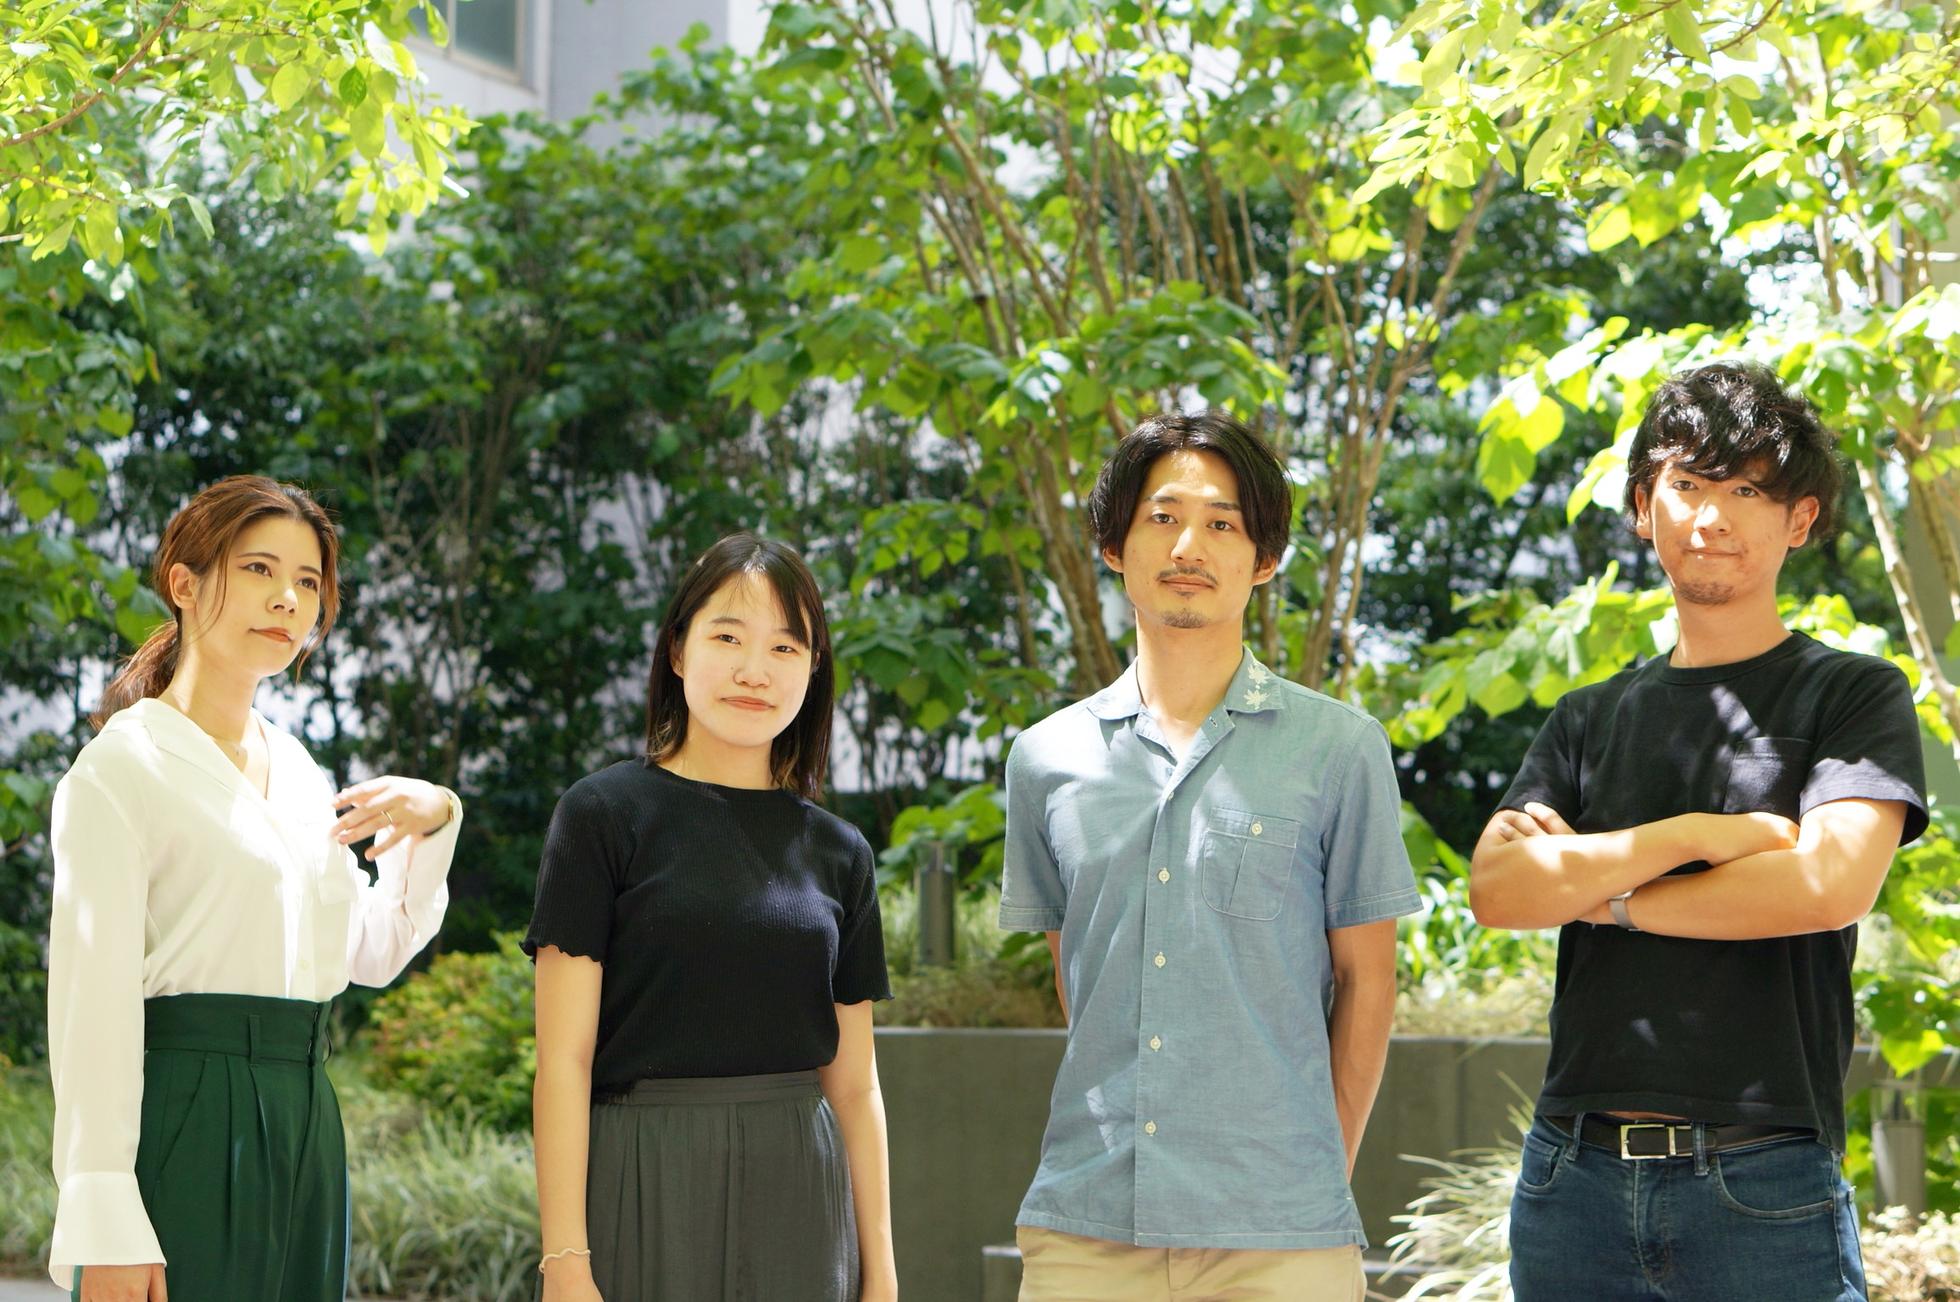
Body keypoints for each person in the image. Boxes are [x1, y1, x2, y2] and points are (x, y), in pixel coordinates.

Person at [1470, 363, 1929, 1302]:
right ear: (1645, 508)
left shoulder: (1852, 693)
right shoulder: (1587, 716)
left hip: (1763, 1175)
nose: (1711, 516)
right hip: (1571, 1176)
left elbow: (1827, 886)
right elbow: (1501, 890)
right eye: (1686, 484)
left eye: (1747, 490)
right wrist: (1697, 834)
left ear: (1799, 519)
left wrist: (1603, 898)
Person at [997, 411, 1419, 1301]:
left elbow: (1368, 982)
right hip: (1086, 1228)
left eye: (1223, 523)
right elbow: (1083, 977)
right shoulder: (1045, 759)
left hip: (1279, 1238)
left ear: (1263, 559)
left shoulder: (1340, 749)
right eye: (1163, 516)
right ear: (1114, 545)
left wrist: (1314, 1171)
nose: (1189, 545)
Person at [47, 475, 463, 1302]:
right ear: (185, 583)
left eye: (308, 581)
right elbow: (90, 1007)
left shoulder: (300, 771)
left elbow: (370, 951)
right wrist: (103, 1215)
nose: (287, 599)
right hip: (187, 1114)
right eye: (259, 569)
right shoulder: (122, 768)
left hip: (306, 1116)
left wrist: (436, 819)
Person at [525, 532, 896, 1302]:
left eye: (785, 647)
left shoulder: (841, 852)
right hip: (643, 1176)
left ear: (812, 670)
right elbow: (564, 1060)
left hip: (801, 1191)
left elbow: (856, 1087)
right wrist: (564, 1261)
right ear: (677, 651)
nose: (755, 670)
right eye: (728, 637)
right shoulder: (602, 816)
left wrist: (882, 1276)